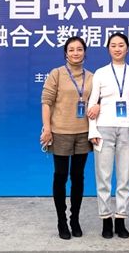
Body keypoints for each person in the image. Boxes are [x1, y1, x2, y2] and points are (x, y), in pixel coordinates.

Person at [86, 32, 129, 239]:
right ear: (108, 49)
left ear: (127, 49)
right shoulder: (100, 73)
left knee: (124, 176)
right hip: (103, 129)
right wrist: (93, 130)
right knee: (104, 177)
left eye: (121, 45)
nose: (117, 48)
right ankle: (105, 219)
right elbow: (92, 103)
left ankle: (120, 219)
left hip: (127, 129)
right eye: (113, 45)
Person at [40, 36, 93, 240]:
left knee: (78, 177)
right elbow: (46, 102)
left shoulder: (92, 77)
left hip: (83, 133)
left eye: (79, 49)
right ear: (66, 53)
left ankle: (75, 219)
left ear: (85, 52)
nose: (75, 53)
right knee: (61, 176)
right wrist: (47, 129)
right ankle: (61, 221)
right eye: (71, 50)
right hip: (60, 132)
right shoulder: (57, 74)